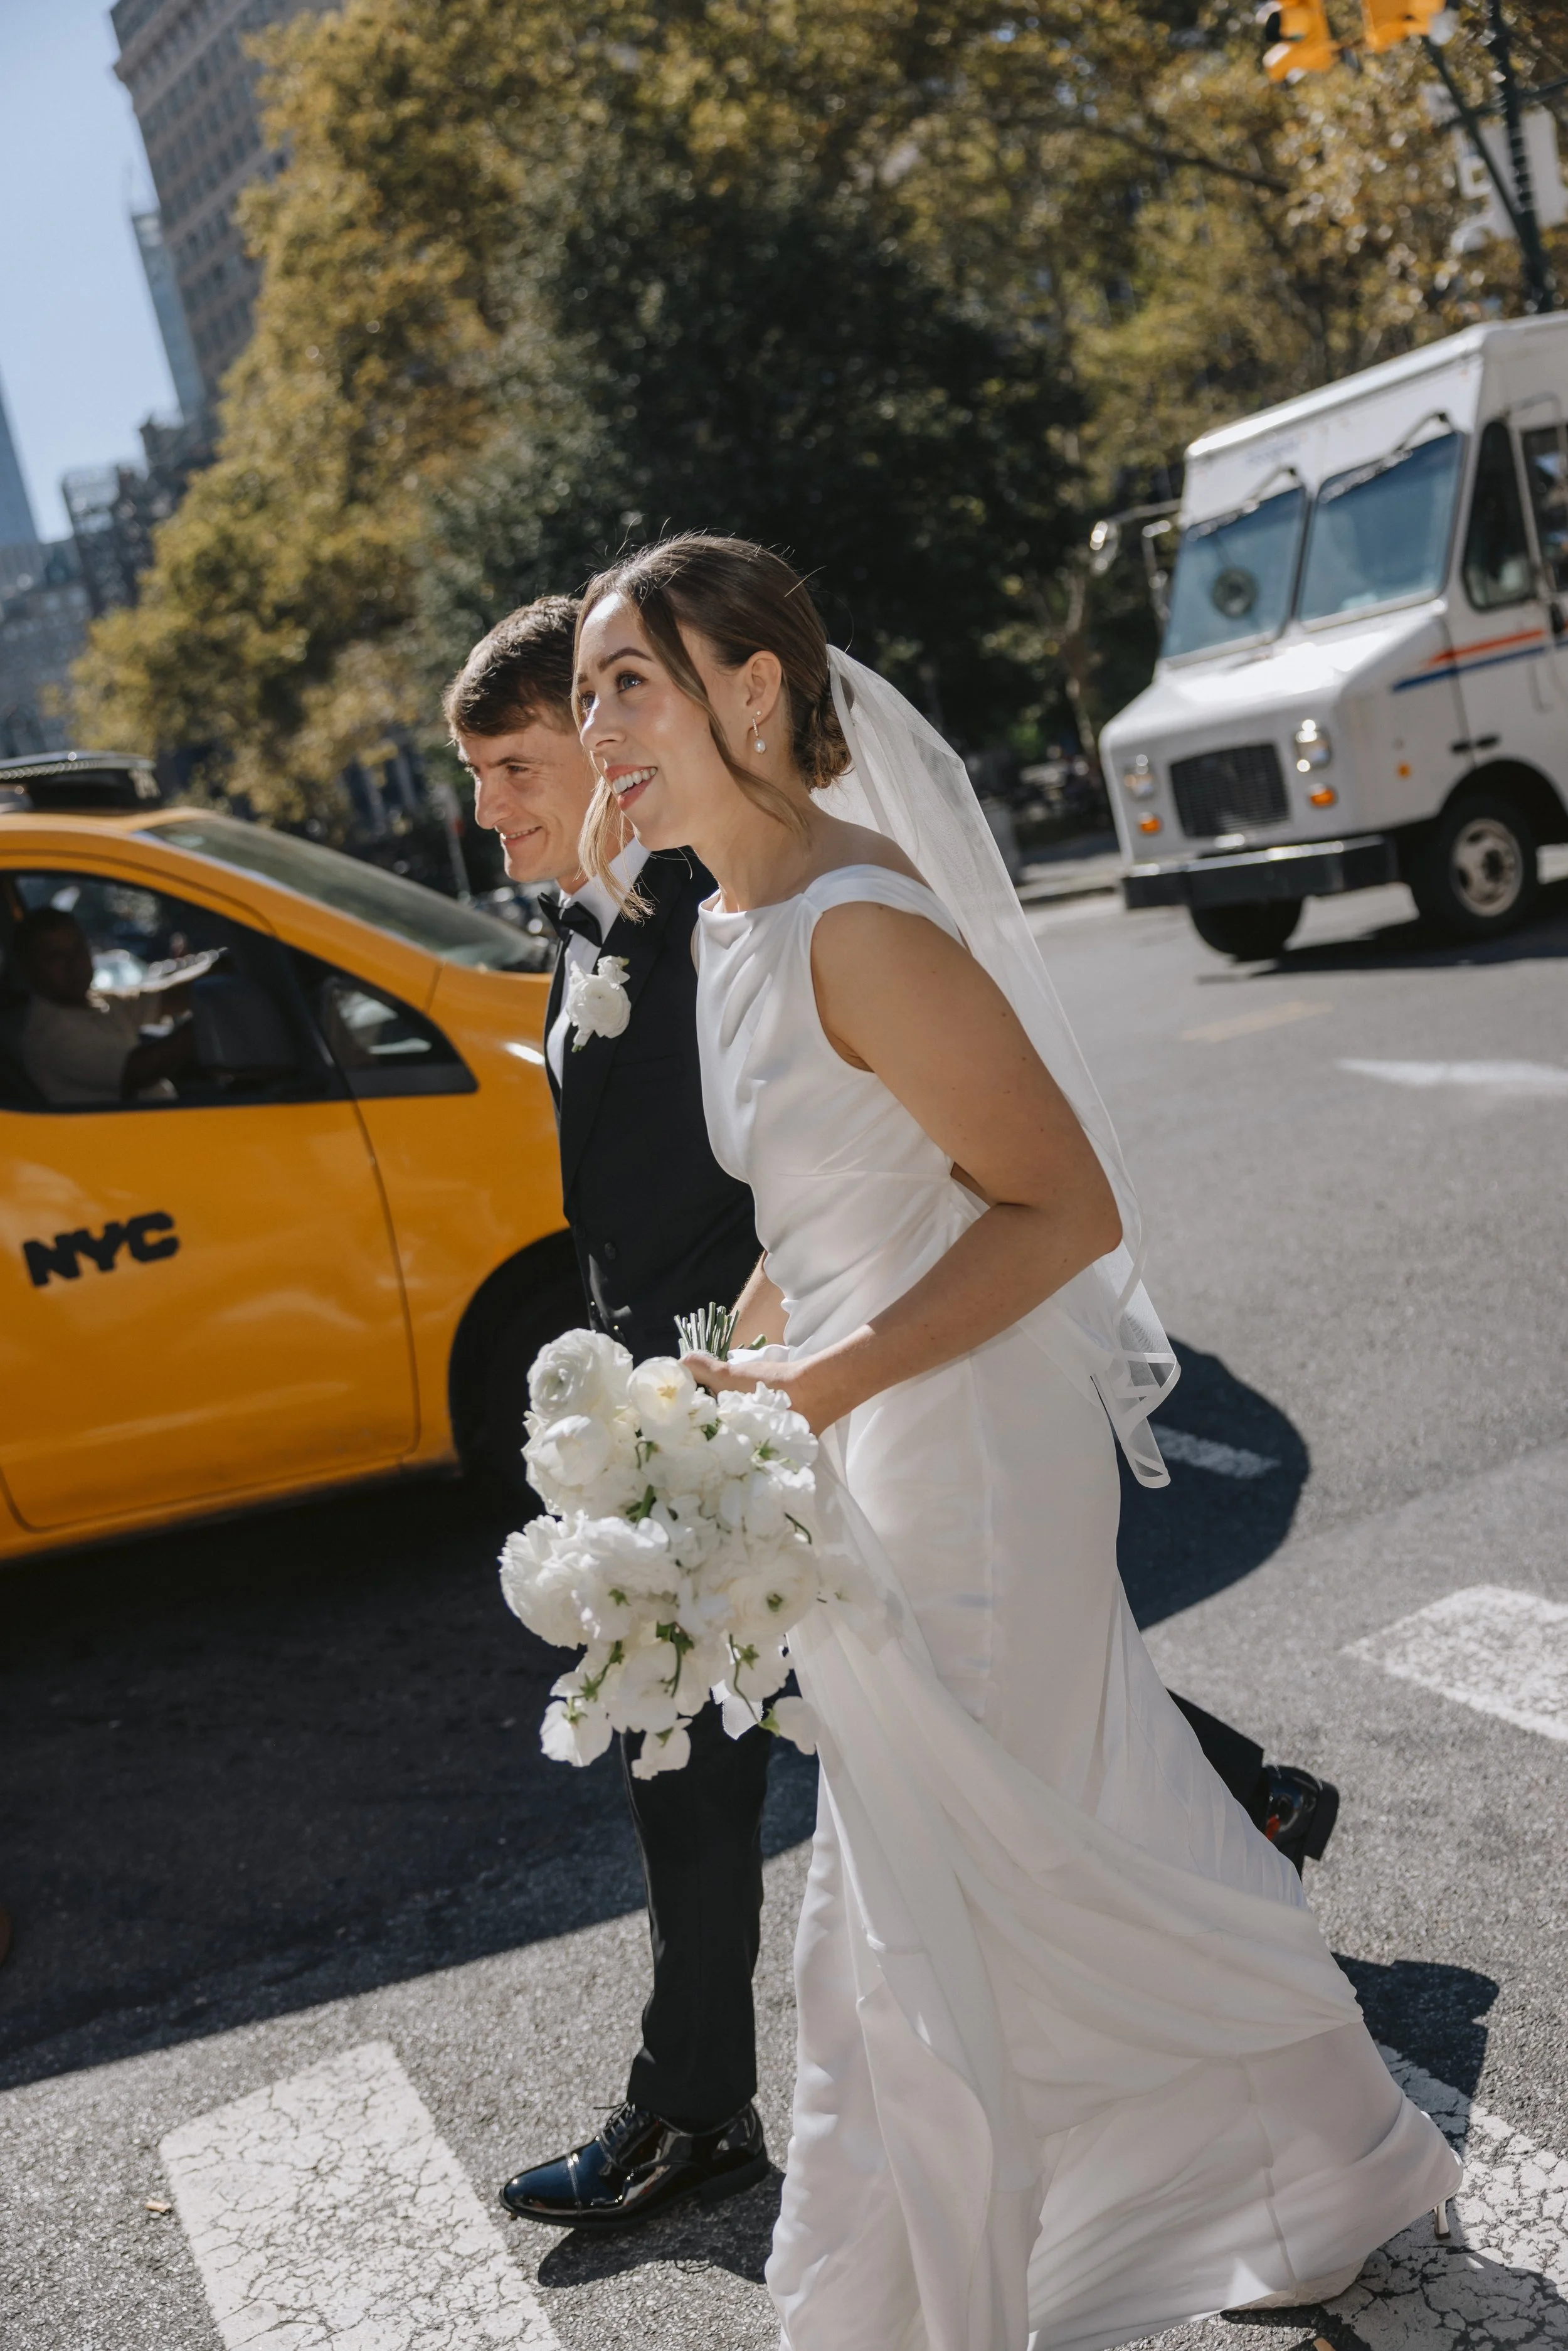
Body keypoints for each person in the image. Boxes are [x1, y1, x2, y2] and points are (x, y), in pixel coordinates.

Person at [570, 533, 1459, 2342]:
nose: (595, 726)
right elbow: (828, 1213)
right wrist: (701, 1384)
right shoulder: (733, 924)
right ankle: (1327, 2162)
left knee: (931, 1877)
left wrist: (819, 1384)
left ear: (753, 689)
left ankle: (911, 2303)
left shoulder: (858, 921)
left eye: (625, 682)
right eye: (584, 690)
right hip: (871, 1430)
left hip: (968, 1453)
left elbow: (1059, 1207)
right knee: (1078, 1824)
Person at [17, 907, 200, 1107]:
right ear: (29, 968)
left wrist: (221, 968)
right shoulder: (49, 1033)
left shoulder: (94, 1001)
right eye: (56, 957)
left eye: (78, 949)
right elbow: (137, 1072)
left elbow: (165, 998)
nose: (74, 963)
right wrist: (206, 1023)